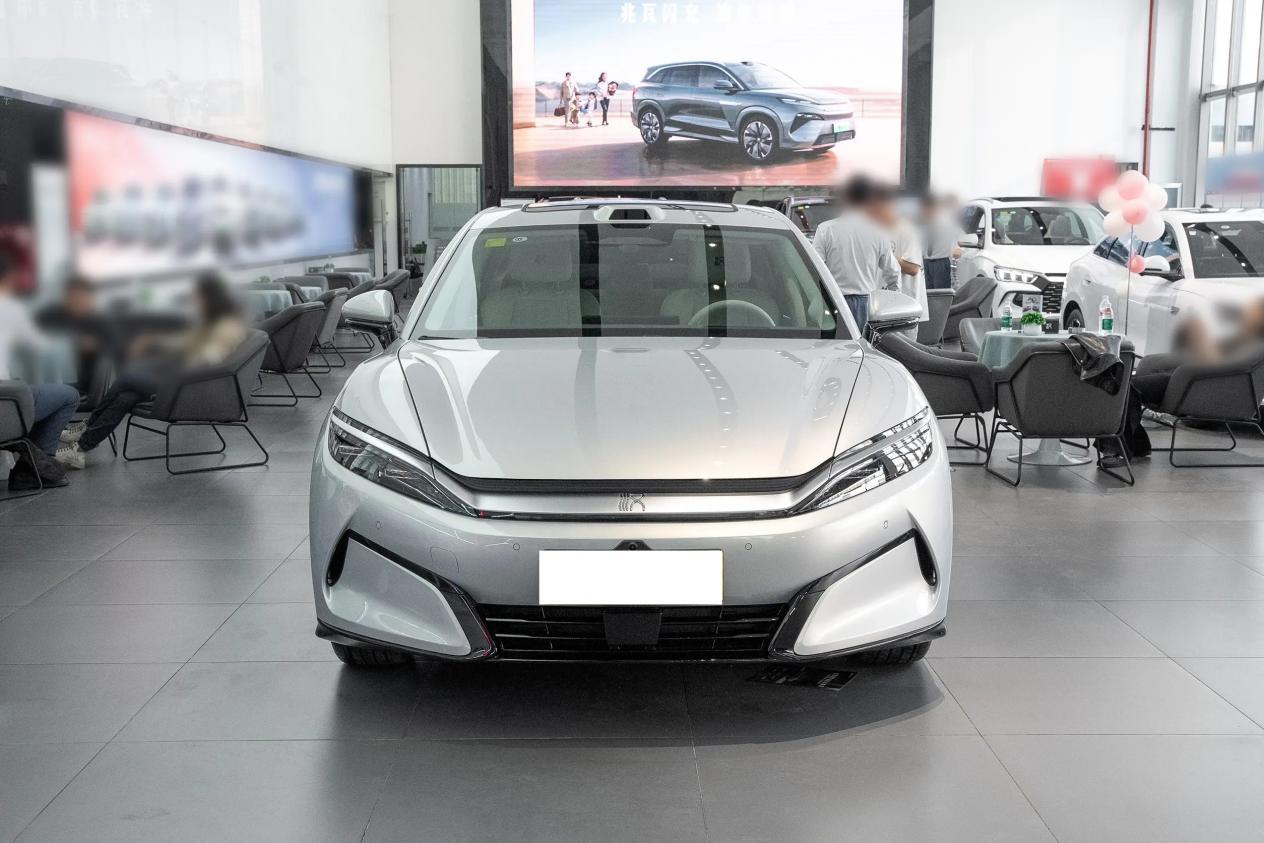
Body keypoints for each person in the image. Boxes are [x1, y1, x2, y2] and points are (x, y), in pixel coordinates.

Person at [57, 273, 247, 469]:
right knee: (125, 398)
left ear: (211, 298)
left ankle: (87, 426)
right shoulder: (208, 321)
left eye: (198, 297)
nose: (195, 301)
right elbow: (183, 343)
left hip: (191, 387)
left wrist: (177, 361)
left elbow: (210, 359)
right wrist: (156, 342)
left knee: (126, 378)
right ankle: (80, 449)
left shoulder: (226, 326)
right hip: (180, 380)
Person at [0, 253, 77, 490]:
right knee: (68, 396)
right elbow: (41, 345)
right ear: (9, 278)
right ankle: (33, 468)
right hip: (4, 409)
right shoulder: (9, 307)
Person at [812, 175, 899, 332]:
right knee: (865, 346)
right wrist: (894, 300)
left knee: (831, 345)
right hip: (867, 305)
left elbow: (814, 268)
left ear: (845, 198)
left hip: (832, 302)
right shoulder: (879, 231)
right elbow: (893, 272)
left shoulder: (825, 230)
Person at [872, 189, 928, 322]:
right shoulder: (877, 230)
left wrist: (885, 257)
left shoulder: (908, 230)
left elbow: (913, 268)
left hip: (906, 306)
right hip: (885, 303)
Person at [921, 194, 962, 290]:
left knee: (940, 293)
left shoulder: (947, 223)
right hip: (926, 262)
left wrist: (958, 249)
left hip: (941, 262)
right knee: (927, 292)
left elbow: (961, 238)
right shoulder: (923, 224)